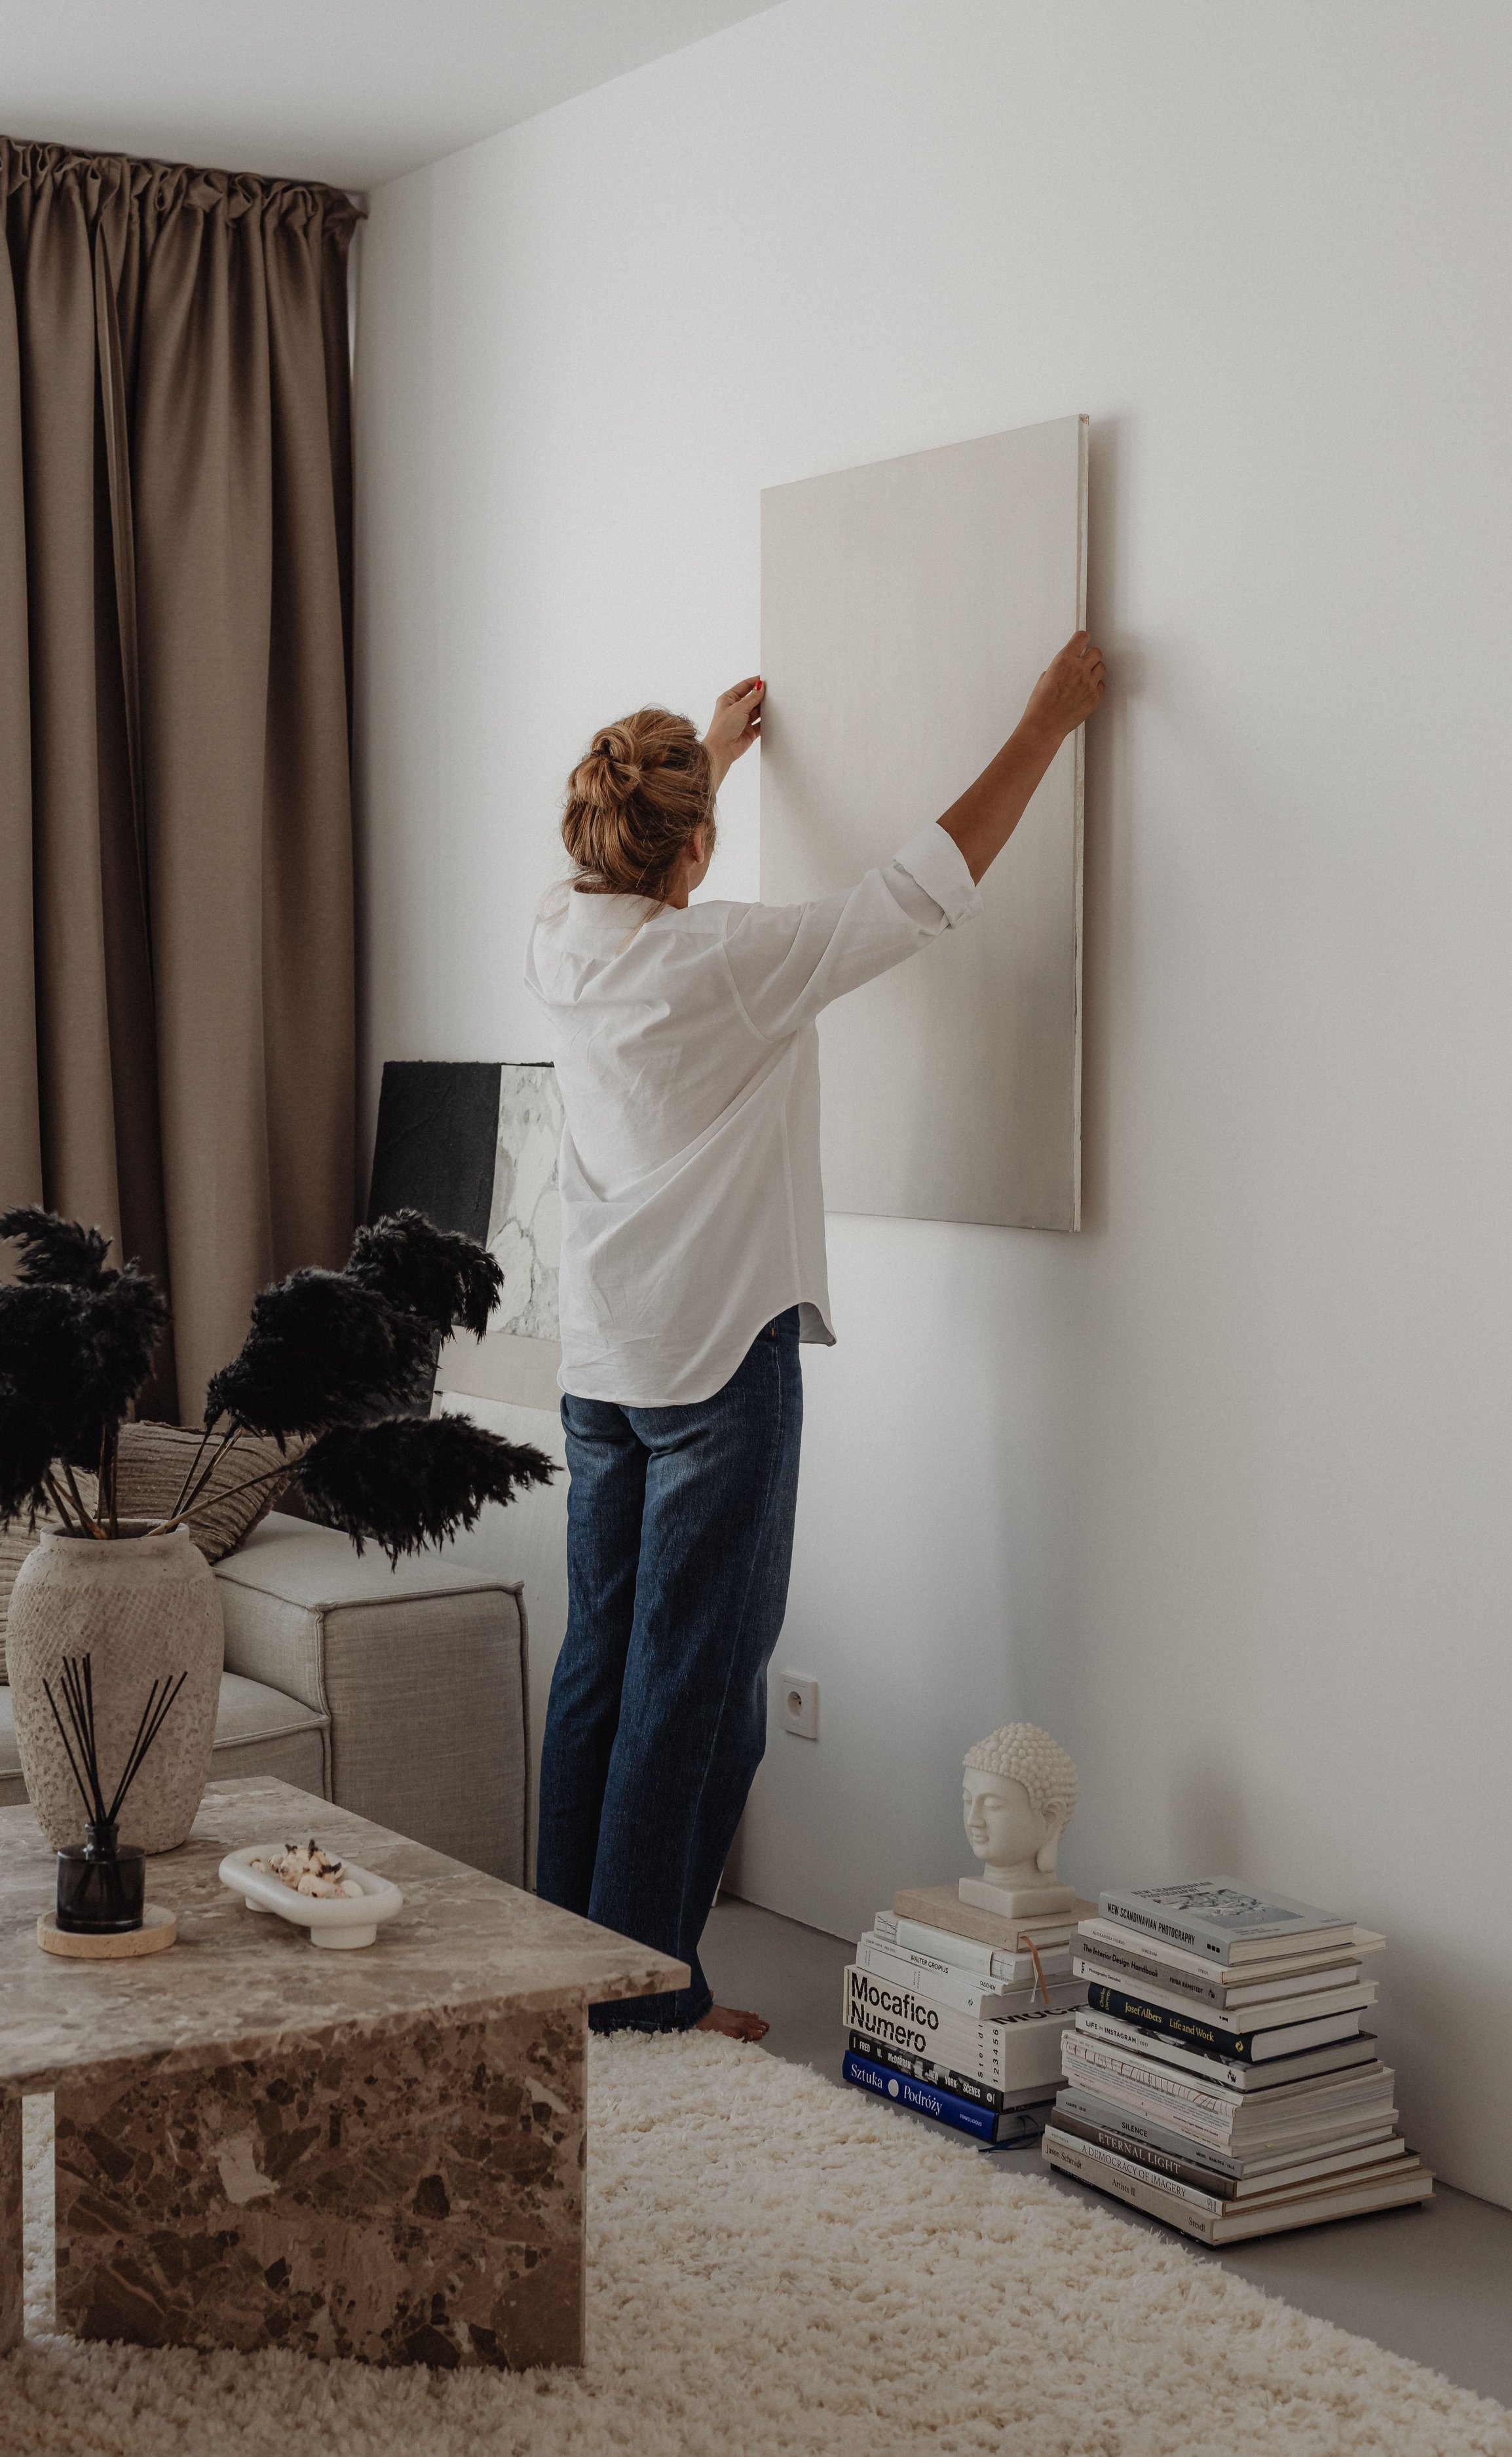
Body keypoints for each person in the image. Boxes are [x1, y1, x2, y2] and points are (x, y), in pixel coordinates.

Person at [527, 634, 1105, 2038]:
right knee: (699, 1683)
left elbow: (646, 858)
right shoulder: (727, 961)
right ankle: (646, 1999)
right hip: (718, 1363)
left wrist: (708, 765)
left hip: (601, 1365)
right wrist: (1042, 722)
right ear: (695, 852)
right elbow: (918, 892)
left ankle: (562, 1981)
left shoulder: (556, 933)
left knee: (602, 1666)